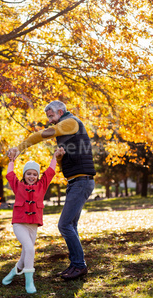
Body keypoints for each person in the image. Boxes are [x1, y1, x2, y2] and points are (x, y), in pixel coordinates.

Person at [8, 100, 96, 281]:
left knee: (64, 225)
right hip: (75, 182)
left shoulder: (71, 122)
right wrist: (61, 157)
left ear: (61, 111)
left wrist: (20, 148)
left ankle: (79, 265)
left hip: (81, 181)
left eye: (51, 116)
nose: (49, 121)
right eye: (48, 117)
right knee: (71, 225)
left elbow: (41, 135)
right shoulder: (66, 129)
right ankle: (76, 265)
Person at [2, 147, 65, 294]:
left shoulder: (42, 186)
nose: (31, 176)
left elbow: (50, 172)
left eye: (34, 174)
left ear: (37, 176)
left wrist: (55, 157)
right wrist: (12, 161)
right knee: (30, 249)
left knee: (25, 255)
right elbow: (10, 174)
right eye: (28, 173)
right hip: (19, 223)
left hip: (33, 225)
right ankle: (29, 282)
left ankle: (12, 273)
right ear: (24, 175)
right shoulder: (18, 185)